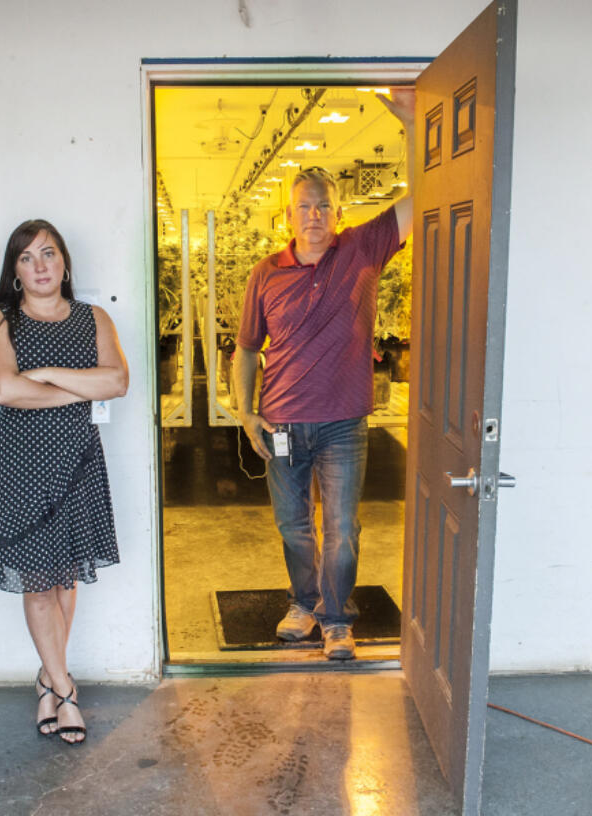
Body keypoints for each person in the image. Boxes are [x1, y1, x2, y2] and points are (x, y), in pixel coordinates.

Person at [233, 90, 415, 660]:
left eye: (323, 206)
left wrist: (413, 123)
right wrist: (245, 412)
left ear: (339, 213)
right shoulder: (266, 273)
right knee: (294, 527)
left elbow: (427, 193)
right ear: (287, 216)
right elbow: (244, 351)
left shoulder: (362, 250)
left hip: (342, 425)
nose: (314, 215)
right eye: (304, 207)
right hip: (282, 422)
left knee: (341, 528)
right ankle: (303, 603)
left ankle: (337, 619)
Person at [0, 219, 128, 744]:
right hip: (20, 464)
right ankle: (64, 690)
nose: (40, 266)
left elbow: (118, 381)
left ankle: (45, 678)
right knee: (37, 583)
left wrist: (47, 374)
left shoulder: (94, 318)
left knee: (64, 579)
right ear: (14, 271)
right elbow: (3, 390)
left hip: (77, 461)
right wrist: (80, 388)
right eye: (27, 257)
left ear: (64, 262)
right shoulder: (0, 320)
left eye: (49, 254)